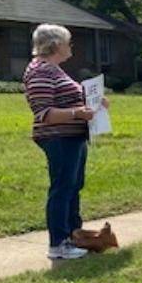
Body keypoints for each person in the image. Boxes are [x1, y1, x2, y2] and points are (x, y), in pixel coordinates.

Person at [23, 24, 106, 260]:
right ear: (56, 44)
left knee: (73, 187)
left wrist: (96, 101)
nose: (71, 46)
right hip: (58, 137)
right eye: (68, 42)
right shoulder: (40, 71)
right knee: (62, 188)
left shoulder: (55, 69)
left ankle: (74, 236)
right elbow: (44, 112)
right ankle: (58, 243)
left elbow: (71, 97)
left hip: (73, 136)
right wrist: (76, 113)